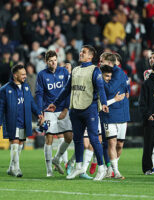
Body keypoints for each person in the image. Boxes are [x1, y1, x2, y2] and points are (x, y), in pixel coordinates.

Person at [47, 45, 109, 181]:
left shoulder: (95, 70)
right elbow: (66, 89)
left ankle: (102, 168)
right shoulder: (75, 70)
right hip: (75, 109)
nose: (81, 53)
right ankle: (79, 167)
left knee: (93, 139)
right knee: (78, 140)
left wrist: (104, 103)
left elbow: (101, 88)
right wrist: (55, 103)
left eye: (84, 52)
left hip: (90, 109)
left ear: (91, 56)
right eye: (81, 51)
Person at [0, 64, 43, 177]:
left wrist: (38, 113)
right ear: (15, 75)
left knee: (20, 144)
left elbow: (31, 102)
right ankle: (17, 169)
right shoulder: (5, 89)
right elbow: (0, 106)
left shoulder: (26, 87)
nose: (25, 76)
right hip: (12, 121)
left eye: (25, 74)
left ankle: (11, 167)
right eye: (22, 74)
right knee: (15, 144)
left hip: (24, 120)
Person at [35, 50, 72, 177]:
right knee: (49, 137)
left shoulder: (64, 72)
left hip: (62, 109)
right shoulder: (41, 75)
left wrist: (66, 109)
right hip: (49, 110)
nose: (53, 63)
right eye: (50, 61)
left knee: (68, 137)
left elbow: (68, 91)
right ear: (46, 62)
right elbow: (39, 94)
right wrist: (40, 112)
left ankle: (57, 159)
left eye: (55, 60)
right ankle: (49, 170)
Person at [99, 52, 129, 179]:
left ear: (109, 63)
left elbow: (110, 89)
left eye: (102, 61)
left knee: (120, 144)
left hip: (121, 112)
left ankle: (110, 169)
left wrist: (100, 81)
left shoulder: (119, 73)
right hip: (109, 113)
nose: (100, 63)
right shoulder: (103, 72)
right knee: (111, 142)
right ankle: (116, 172)